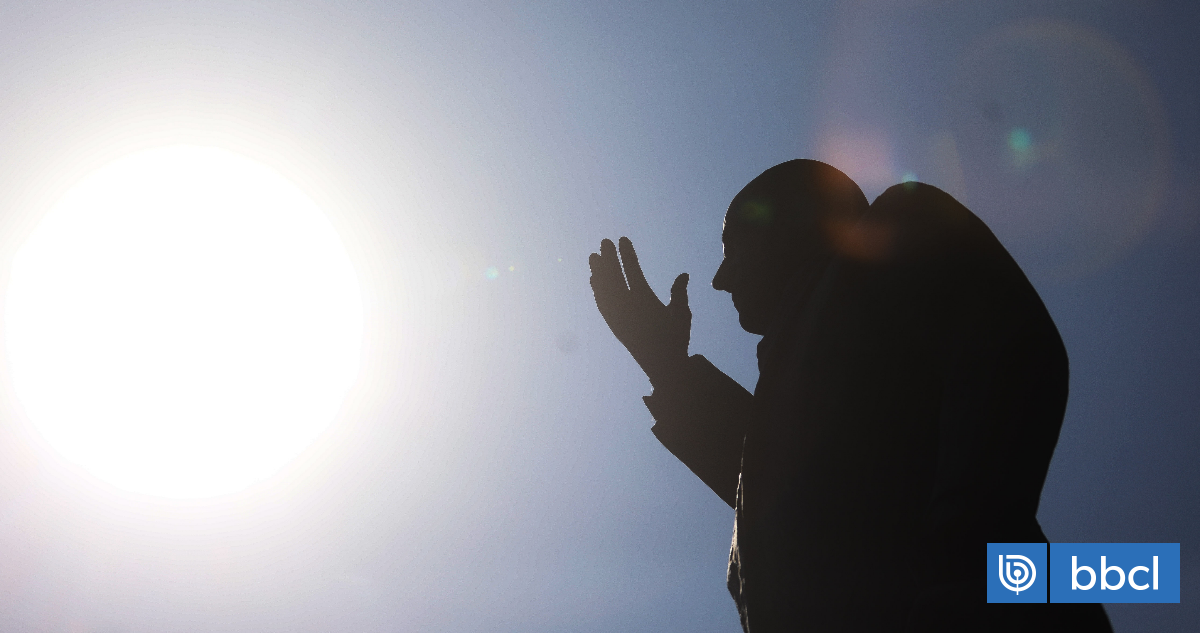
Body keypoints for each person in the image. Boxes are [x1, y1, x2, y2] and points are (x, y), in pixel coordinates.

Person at [589, 159, 1112, 631]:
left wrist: (965, 553)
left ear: (791, 228)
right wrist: (666, 366)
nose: (721, 279)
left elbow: (1009, 351)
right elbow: (798, 499)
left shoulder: (898, 234)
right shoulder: (800, 374)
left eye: (734, 249)